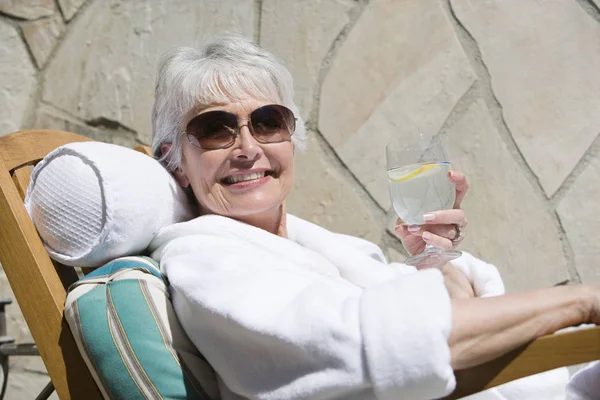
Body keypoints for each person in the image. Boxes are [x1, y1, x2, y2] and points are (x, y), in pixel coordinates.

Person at [148, 34, 597, 400]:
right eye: (214, 129)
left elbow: (439, 327)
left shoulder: (316, 247)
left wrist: (435, 259)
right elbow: (383, 345)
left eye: (268, 121)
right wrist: (582, 301)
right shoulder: (206, 262)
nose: (248, 148)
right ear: (175, 162)